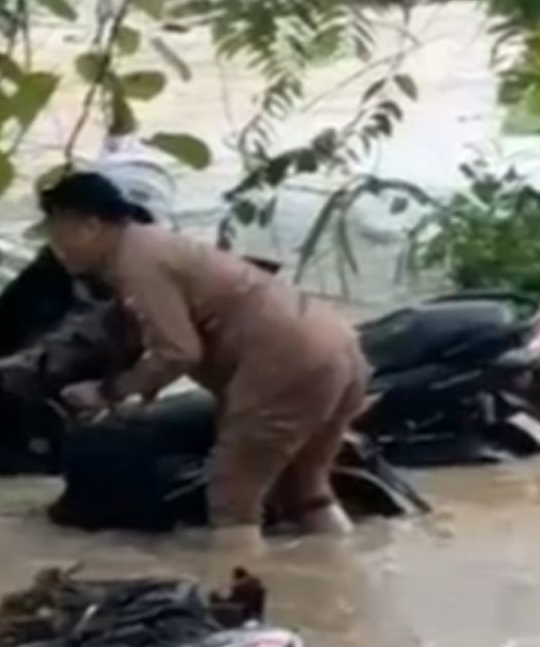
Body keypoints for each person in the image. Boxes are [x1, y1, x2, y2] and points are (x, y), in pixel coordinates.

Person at [35, 170, 369, 546]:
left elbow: (177, 352)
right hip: (338, 346)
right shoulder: (157, 246)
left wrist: (108, 391)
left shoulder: (138, 263)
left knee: (232, 500)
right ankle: (341, 579)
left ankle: (238, 595)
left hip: (285, 363)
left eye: (56, 231)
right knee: (304, 489)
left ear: (89, 225)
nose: (56, 247)